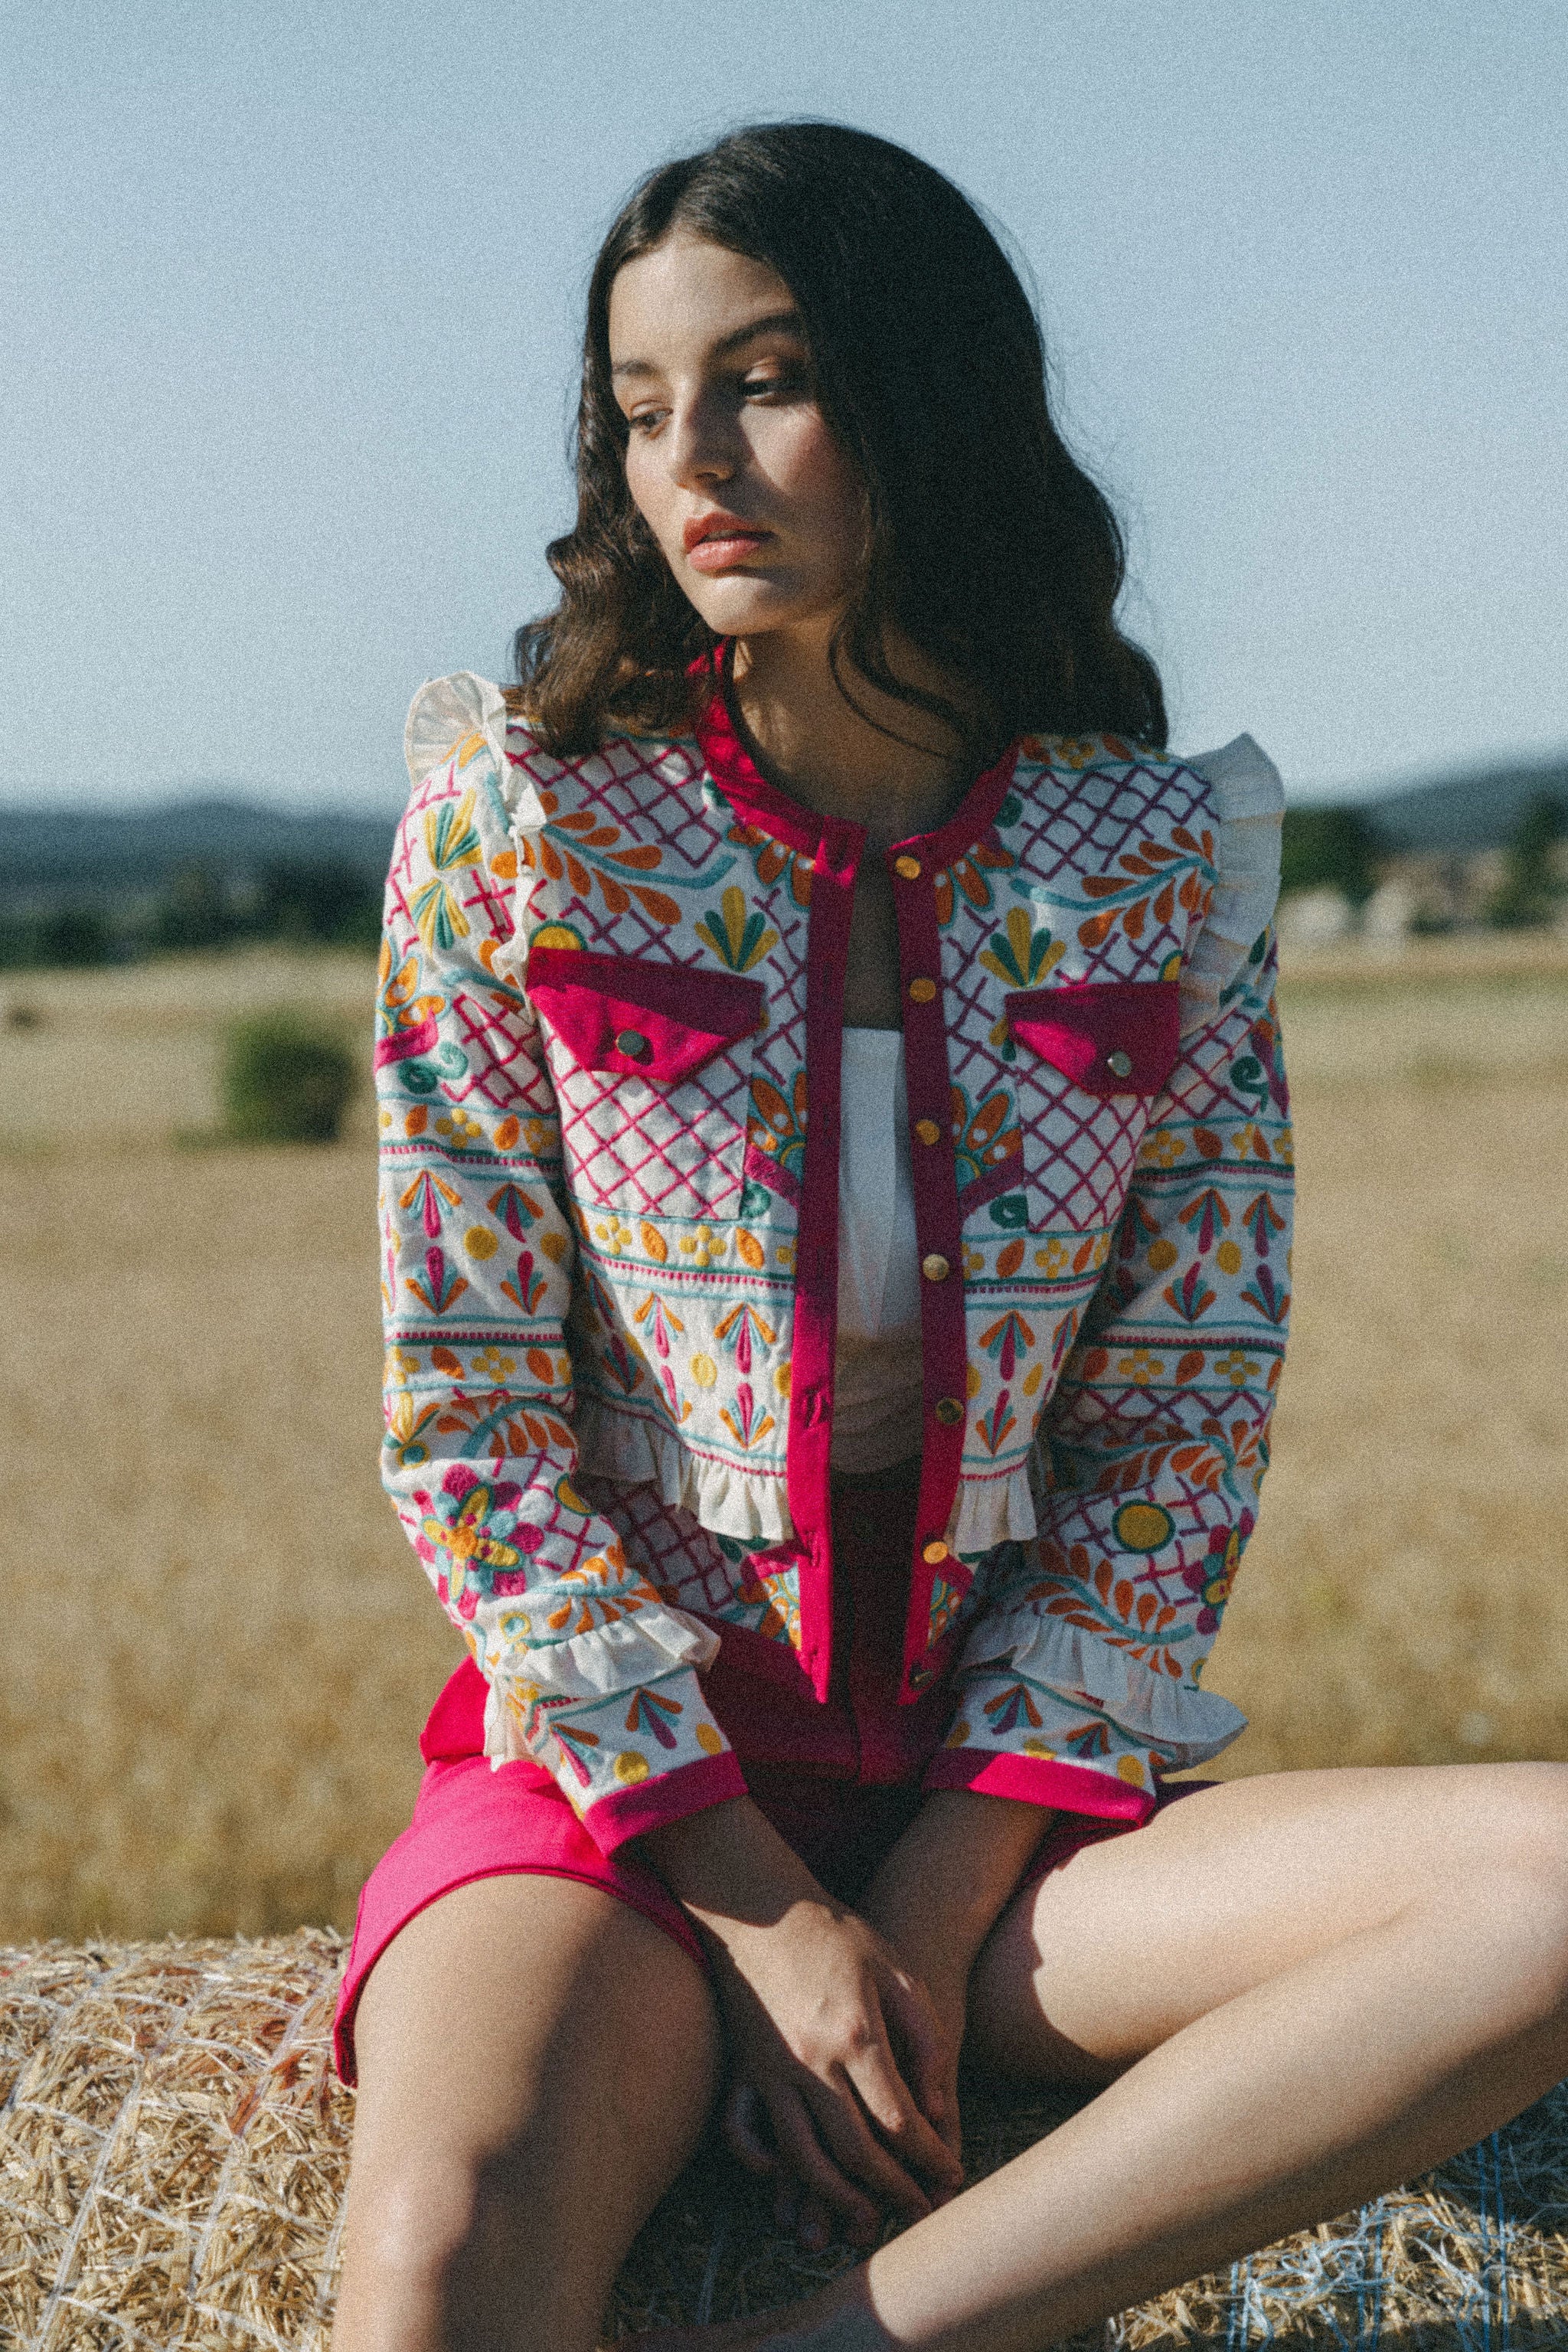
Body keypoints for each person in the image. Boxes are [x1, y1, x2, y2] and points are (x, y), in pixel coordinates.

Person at [329, 123, 1568, 2352]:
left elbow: (1184, 1418)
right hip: (618, 1813)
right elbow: (466, 1427)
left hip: (1002, 1820)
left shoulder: (1154, 858)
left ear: (926, 394)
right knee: (435, 2263)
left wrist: (924, 1886)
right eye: (637, 405)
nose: (688, 456)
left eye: (767, 378)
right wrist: (764, 1909)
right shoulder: (521, 825)